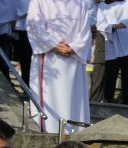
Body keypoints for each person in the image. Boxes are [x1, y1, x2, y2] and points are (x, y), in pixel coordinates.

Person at [27, 0, 92, 133]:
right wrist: (54, 45)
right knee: (50, 99)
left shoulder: (80, 2)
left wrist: (73, 48)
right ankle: (50, 132)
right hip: (50, 57)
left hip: (73, 59)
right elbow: (33, 25)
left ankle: (75, 134)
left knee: (73, 100)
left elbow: (86, 31)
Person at [97, 0, 128, 105]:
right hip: (112, 49)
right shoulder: (103, 6)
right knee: (110, 79)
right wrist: (114, 27)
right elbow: (100, 25)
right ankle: (107, 104)